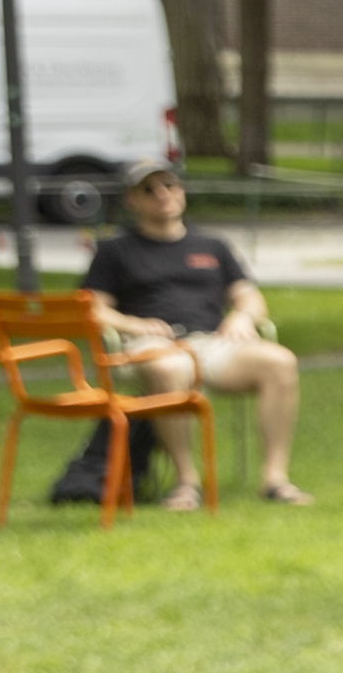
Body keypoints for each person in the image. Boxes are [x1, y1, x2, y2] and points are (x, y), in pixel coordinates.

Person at [82, 162, 307, 502]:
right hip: (149, 344)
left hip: (211, 342)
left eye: (169, 185)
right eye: (149, 189)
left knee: (280, 361)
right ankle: (187, 483)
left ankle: (275, 479)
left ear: (181, 191)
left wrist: (242, 317)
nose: (162, 195)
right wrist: (132, 324)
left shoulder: (212, 246)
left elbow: (249, 295)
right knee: (167, 368)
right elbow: (91, 307)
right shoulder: (115, 251)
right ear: (132, 201)